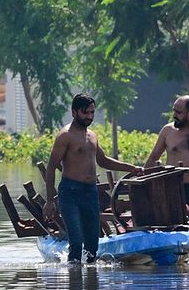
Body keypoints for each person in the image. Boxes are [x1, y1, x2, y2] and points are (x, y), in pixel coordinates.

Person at [44, 93, 143, 263]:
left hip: (90, 192)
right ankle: (74, 282)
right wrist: (49, 200)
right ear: (74, 112)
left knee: (92, 244)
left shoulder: (92, 136)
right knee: (76, 241)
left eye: (92, 113)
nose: (89, 117)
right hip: (70, 192)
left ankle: (91, 284)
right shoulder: (65, 136)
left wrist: (131, 168)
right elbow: (51, 166)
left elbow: (103, 161)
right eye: (85, 113)